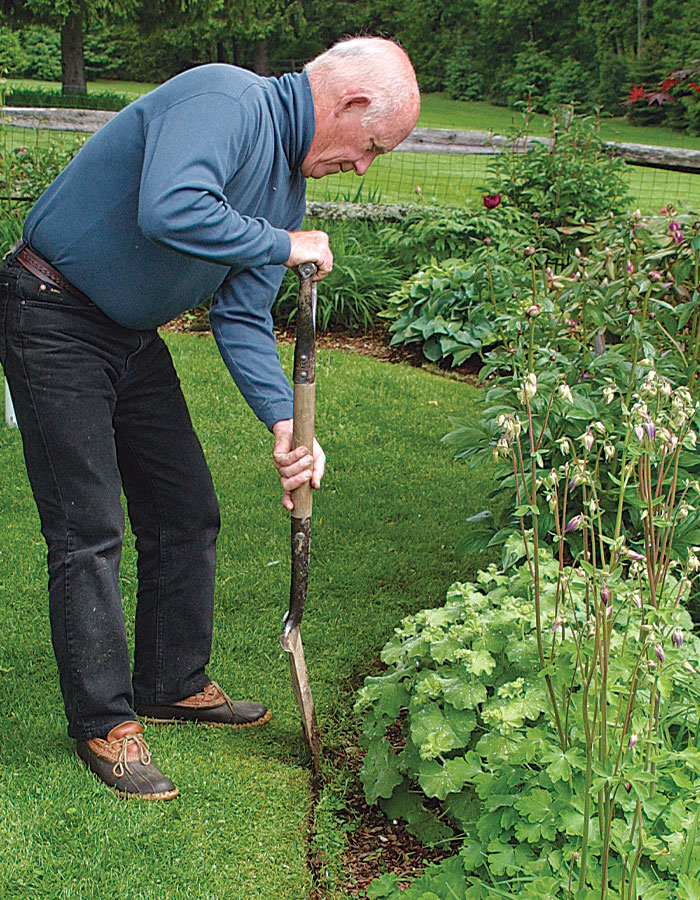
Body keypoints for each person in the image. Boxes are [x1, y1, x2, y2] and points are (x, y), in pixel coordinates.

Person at [0, 37, 420, 800]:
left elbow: (241, 317)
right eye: (372, 148)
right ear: (353, 104)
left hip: (125, 335)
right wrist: (284, 243)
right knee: (87, 528)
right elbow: (171, 206)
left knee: (186, 507)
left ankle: (169, 679)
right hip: (53, 314)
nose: (364, 167)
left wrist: (283, 421)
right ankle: (104, 723)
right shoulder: (228, 98)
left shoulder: (284, 189)